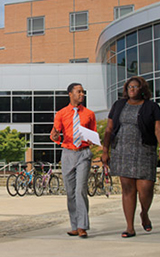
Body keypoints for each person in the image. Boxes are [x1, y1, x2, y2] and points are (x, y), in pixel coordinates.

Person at [102, 76, 160, 238]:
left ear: (142, 89)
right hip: (122, 150)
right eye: (129, 87)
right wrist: (105, 150)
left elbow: (159, 128)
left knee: (145, 189)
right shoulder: (118, 105)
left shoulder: (152, 107)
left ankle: (144, 213)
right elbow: (109, 129)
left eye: (135, 87)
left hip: (145, 150)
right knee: (128, 189)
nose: (132, 89)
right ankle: (129, 227)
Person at [50, 83, 96, 238]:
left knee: (80, 189)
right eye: (79, 92)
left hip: (83, 153)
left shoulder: (89, 114)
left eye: (83, 92)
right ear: (70, 94)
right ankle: (75, 226)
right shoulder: (61, 113)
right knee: (70, 192)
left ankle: (83, 226)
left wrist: (92, 140)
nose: (82, 94)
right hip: (68, 153)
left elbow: (93, 133)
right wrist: (55, 137)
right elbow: (55, 134)